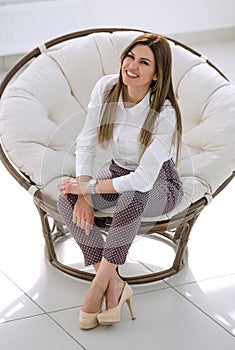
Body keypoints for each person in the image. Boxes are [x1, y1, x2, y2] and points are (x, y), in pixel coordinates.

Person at [58, 33, 183, 329]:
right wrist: (84, 196)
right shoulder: (106, 88)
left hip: (160, 184)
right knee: (67, 198)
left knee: (133, 194)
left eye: (144, 62)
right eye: (130, 57)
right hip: (116, 171)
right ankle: (114, 282)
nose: (132, 66)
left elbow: (142, 179)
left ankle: (96, 289)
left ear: (156, 75)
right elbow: (86, 142)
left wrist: (87, 187)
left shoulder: (165, 114)